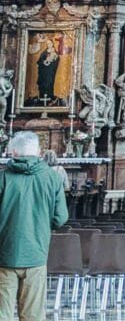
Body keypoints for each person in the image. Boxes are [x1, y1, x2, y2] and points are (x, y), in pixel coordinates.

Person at [0, 131, 68, 321]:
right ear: (39, 152)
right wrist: (41, 225)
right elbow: (61, 217)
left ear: (13, 152)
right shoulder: (52, 178)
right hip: (36, 254)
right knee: (33, 315)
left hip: (4, 255)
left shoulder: (3, 178)